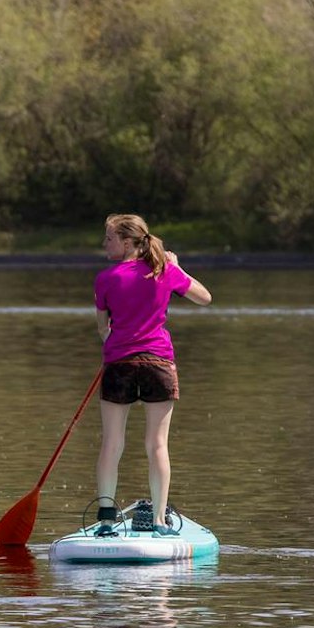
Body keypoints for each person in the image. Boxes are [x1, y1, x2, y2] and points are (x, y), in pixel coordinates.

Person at [94, 214, 212, 531]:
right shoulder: (165, 271)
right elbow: (205, 298)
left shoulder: (105, 279)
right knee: (157, 444)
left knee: (112, 443)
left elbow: (102, 328)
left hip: (119, 364)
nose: (104, 244)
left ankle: (106, 518)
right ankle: (159, 520)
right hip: (159, 364)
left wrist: (114, 343)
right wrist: (177, 267)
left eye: (110, 238)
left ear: (129, 242)